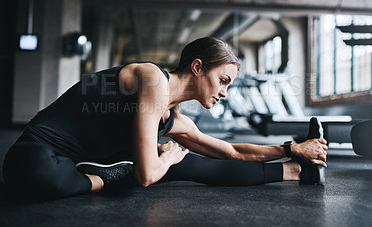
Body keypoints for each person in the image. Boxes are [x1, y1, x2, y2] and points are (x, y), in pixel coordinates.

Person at [3, 37, 328, 199]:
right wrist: (167, 159)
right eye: (223, 81)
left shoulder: (175, 118)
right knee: (28, 170)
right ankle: (108, 177)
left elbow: (232, 151)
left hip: (83, 161)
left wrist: (291, 149)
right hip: (42, 148)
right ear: (197, 67)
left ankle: (294, 172)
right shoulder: (151, 79)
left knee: (192, 163)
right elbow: (146, 176)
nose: (225, 93)